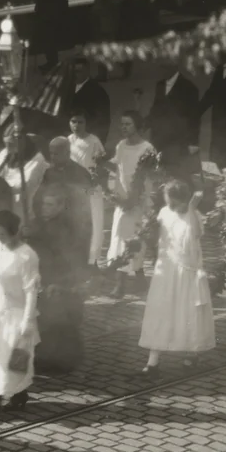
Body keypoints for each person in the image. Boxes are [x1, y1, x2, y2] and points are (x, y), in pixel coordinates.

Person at [138, 180, 215, 375]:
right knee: (160, 312)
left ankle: (191, 352)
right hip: (166, 270)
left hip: (187, 272)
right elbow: (156, 237)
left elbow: (195, 235)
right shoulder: (164, 213)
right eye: (168, 200)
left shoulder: (194, 216)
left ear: (182, 199)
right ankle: (153, 360)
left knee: (187, 313)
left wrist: (191, 209)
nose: (170, 204)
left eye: (173, 201)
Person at [0, 210, 40, 420]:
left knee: (13, 355)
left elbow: (31, 291)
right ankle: (17, 393)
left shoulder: (27, 256)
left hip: (18, 313)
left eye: (0, 233)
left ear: (13, 232)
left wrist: (28, 321)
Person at [26, 185, 84, 374]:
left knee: (59, 322)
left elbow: (68, 257)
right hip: (40, 275)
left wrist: (60, 281)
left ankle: (61, 361)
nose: (45, 208)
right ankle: (43, 358)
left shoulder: (67, 228)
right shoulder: (36, 223)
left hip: (58, 278)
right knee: (42, 320)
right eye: (44, 204)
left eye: (50, 205)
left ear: (61, 206)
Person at [106, 111, 157, 298]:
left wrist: (135, 198)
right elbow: (117, 166)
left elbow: (147, 175)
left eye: (128, 124)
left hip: (138, 199)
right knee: (120, 237)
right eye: (122, 124)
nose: (123, 127)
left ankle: (123, 284)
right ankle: (137, 279)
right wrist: (101, 162)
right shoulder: (120, 146)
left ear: (137, 126)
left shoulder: (147, 148)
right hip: (122, 198)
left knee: (133, 239)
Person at [147, 63, 201, 183]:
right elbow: (156, 110)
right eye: (160, 66)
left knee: (177, 176)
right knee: (158, 173)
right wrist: (142, 124)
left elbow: (194, 118)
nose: (161, 71)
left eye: (164, 66)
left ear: (174, 66)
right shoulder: (160, 85)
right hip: (159, 139)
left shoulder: (189, 88)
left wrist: (193, 142)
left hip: (177, 141)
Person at [68, 116, 107, 267]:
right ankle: (77, 260)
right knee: (76, 223)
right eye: (73, 122)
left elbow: (101, 165)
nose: (76, 125)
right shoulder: (68, 141)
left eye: (80, 122)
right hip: (73, 188)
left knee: (95, 222)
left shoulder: (94, 141)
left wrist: (95, 179)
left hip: (91, 187)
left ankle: (93, 261)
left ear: (86, 123)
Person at [0, 124, 47, 223]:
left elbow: (25, 186)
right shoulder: (6, 153)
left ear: (23, 141)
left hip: (25, 215)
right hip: (3, 214)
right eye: (6, 144)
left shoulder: (39, 161)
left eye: (11, 144)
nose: (8, 148)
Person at [66, 57, 111, 146]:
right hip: (70, 138)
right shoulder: (67, 89)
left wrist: (97, 141)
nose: (75, 74)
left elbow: (102, 120)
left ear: (87, 71)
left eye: (79, 71)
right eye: (73, 72)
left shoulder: (97, 91)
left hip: (88, 139)